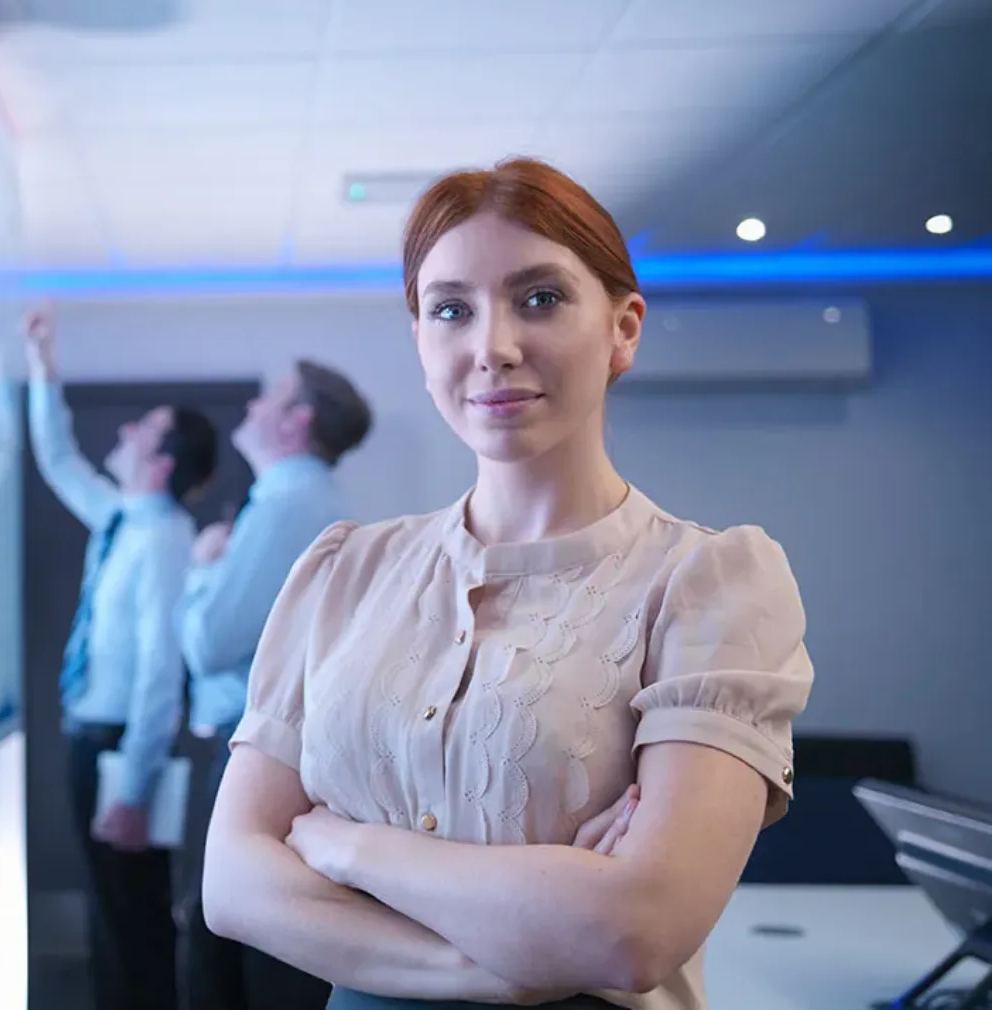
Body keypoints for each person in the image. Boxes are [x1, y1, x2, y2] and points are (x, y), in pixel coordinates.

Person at [200, 157, 815, 1010]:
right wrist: (505, 960)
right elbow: (232, 884)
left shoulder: (708, 581)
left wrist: (344, 847)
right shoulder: (341, 572)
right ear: (421, 342)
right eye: (451, 309)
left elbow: (635, 931)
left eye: (540, 299)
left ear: (624, 328)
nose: (492, 347)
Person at [23, 305, 220, 1010]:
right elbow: (58, 459)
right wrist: (44, 367)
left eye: (144, 427)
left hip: (118, 750)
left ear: (160, 460)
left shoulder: (163, 540)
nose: (127, 430)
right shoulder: (121, 520)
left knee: (129, 922)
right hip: (93, 743)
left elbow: (160, 679)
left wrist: (133, 790)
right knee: (113, 916)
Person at [180, 360, 374, 1010]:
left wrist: (203, 569)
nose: (255, 407)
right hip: (259, 744)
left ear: (299, 420)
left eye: (272, 398)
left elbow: (210, 642)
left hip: (252, 750)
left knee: (228, 953)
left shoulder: (288, 501)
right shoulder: (294, 499)